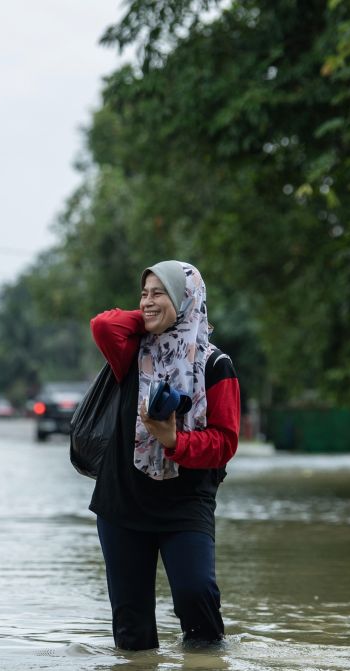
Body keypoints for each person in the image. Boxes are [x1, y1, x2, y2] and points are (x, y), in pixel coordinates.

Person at [88, 260, 240, 650]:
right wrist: (154, 317)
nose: (147, 301)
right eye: (144, 293)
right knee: (131, 628)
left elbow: (225, 443)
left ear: (186, 298)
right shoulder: (131, 352)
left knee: (197, 599)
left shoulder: (215, 365)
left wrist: (174, 441)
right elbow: (104, 325)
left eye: (160, 293)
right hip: (123, 501)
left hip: (185, 502)